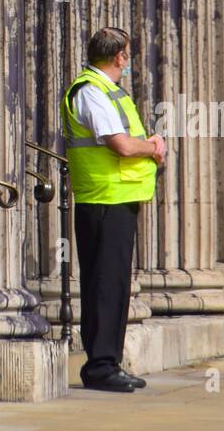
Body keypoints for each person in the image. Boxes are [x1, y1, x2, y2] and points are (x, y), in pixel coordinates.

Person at [61, 28, 166, 392]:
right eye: (127, 54)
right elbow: (119, 145)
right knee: (106, 284)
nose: (129, 60)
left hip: (114, 197)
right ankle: (101, 366)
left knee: (112, 283)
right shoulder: (92, 90)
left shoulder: (103, 89)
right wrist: (152, 146)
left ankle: (107, 362)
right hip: (104, 198)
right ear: (120, 56)